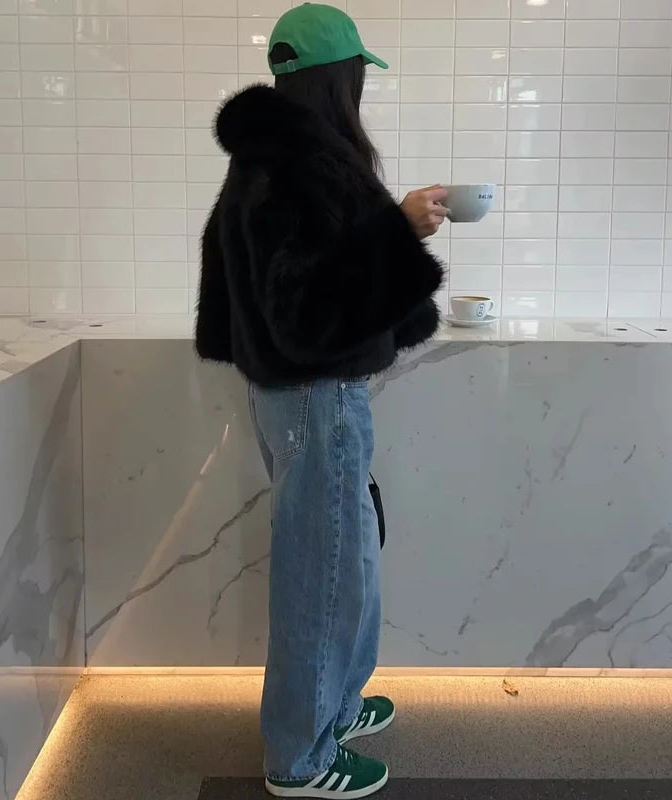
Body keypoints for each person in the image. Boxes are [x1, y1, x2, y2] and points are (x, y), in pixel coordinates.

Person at [195, 4, 447, 797]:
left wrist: (388, 235)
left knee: (346, 560)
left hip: (299, 396)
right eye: (358, 74)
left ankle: (332, 705)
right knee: (323, 571)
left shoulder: (271, 153)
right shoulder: (300, 162)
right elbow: (305, 313)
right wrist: (399, 233)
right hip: (316, 397)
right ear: (341, 78)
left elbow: (240, 276)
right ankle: (299, 757)